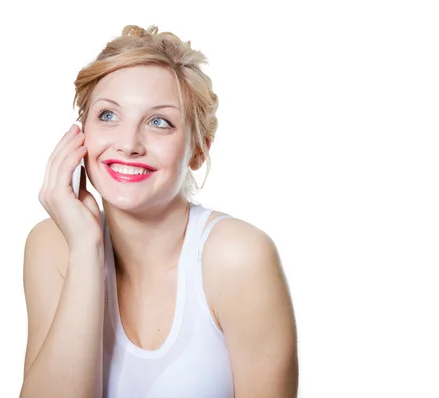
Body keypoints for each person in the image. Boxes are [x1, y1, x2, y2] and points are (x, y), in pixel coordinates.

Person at [20, 24, 298, 398]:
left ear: (198, 150)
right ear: (79, 133)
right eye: (107, 116)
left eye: (158, 122)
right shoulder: (51, 245)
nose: (129, 144)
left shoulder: (237, 258)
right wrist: (85, 250)